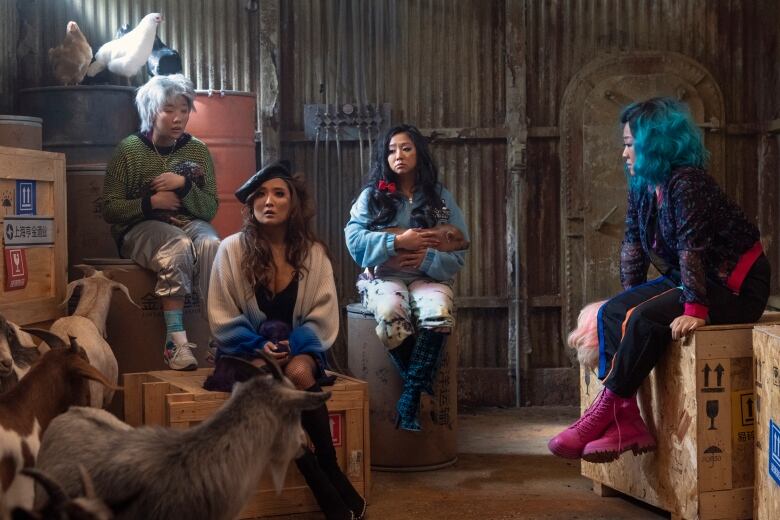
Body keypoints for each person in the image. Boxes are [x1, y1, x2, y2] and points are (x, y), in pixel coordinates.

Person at [549, 97, 770, 463]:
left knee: (643, 318)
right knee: (612, 314)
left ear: (654, 144)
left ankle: (608, 413)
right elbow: (633, 244)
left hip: (734, 287)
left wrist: (696, 309)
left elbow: (691, 248)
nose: (624, 154)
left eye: (629, 144)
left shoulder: (688, 183)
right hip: (689, 279)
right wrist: (628, 297)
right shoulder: (643, 185)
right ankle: (626, 417)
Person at [207, 160, 365, 520]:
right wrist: (255, 343)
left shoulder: (314, 254)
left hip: (299, 349)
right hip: (245, 350)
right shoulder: (230, 250)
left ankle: (330, 465)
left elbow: (322, 315)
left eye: (279, 194)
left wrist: (294, 344)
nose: (269, 201)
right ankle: (319, 478)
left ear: (293, 203)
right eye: (260, 195)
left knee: (297, 371)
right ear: (250, 206)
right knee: (267, 381)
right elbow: (220, 313)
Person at [344, 124, 469, 432]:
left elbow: (457, 247)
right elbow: (355, 241)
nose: (398, 155)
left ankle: (410, 396)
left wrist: (428, 258)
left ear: (419, 153)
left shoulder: (438, 201)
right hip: (385, 276)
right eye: (391, 150)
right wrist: (398, 242)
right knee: (389, 312)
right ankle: (419, 388)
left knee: (438, 312)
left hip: (427, 277)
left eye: (406, 148)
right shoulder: (373, 198)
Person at [102, 74, 220, 371]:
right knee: (178, 245)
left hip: (190, 223)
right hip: (140, 228)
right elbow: (109, 209)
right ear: (151, 111)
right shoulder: (128, 150)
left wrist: (183, 185)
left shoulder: (198, 151)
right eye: (169, 110)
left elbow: (209, 208)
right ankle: (175, 344)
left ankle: (217, 338)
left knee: (212, 244)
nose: (178, 118)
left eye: (184, 110)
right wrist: (150, 203)